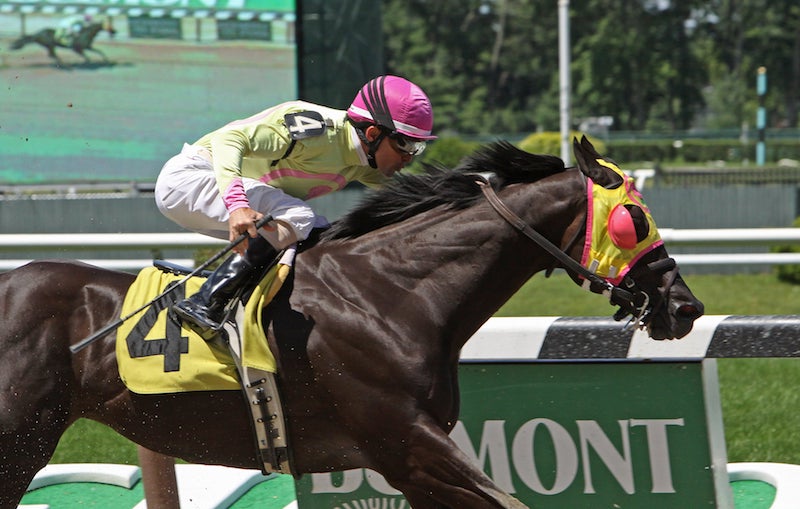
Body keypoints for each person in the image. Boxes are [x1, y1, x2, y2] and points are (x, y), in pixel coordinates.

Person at [155, 75, 436, 332]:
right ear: (373, 134)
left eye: (418, 147)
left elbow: (412, 195)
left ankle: (248, 304)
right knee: (299, 214)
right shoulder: (317, 129)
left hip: (203, 193)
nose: (409, 157)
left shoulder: (363, 163)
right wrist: (237, 204)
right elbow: (230, 139)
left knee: (319, 230)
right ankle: (206, 300)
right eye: (406, 145)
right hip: (188, 179)